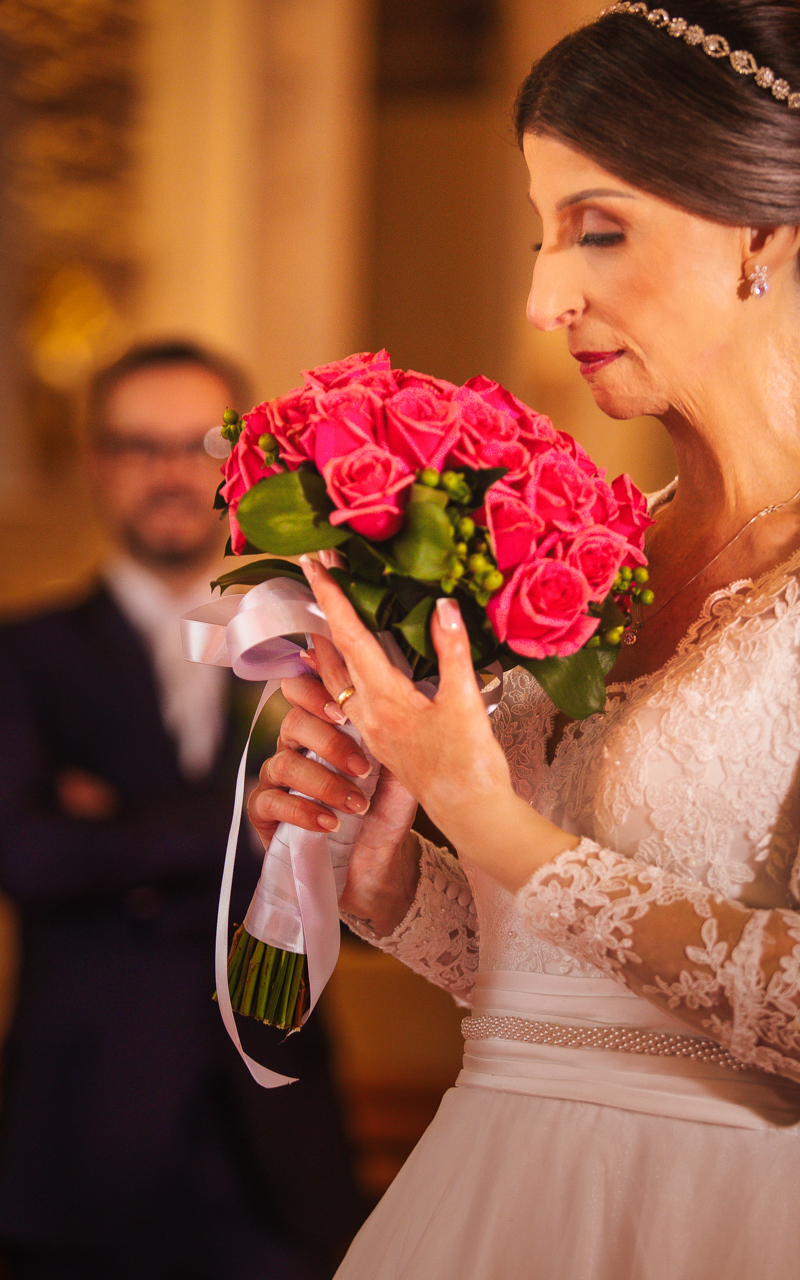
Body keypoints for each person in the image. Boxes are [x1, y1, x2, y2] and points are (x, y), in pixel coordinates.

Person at [246, 3, 800, 1277]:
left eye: (596, 229)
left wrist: (482, 815)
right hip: (487, 1188)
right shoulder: (587, 557)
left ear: (760, 234)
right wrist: (392, 880)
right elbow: (560, 999)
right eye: (539, 236)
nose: (543, 299)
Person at [0, 341, 367, 1280]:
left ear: (244, 467)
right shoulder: (21, 655)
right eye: (138, 445)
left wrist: (119, 822)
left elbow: (363, 875)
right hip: (84, 1145)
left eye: (203, 444)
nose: (170, 473)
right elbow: (28, 854)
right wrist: (251, 813)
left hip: (279, 1147)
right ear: (96, 462)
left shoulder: (320, 652)